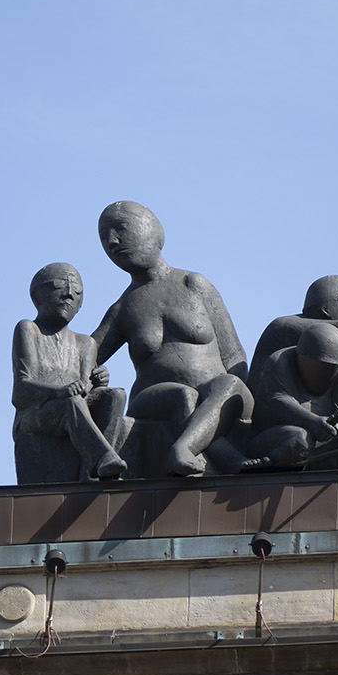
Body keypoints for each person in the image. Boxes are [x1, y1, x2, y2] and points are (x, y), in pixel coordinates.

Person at [92, 202, 252, 477]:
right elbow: (83, 354)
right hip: (154, 398)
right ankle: (202, 454)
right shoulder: (122, 309)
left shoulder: (194, 284)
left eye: (121, 229)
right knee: (182, 395)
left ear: (154, 232)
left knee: (231, 383)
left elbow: (234, 355)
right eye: (104, 236)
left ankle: (193, 449)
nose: (112, 241)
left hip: (214, 395)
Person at [248, 275, 338, 455]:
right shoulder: (283, 329)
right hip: (279, 429)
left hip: (323, 427)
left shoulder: (335, 352)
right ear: (326, 309)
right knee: (298, 438)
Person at [12, 263, 127, 483]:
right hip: (36, 414)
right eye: (58, 286)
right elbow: (21, 390)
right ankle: (104, 458)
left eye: (76, 291)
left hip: (73, 408)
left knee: (115, 396)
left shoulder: (86, 344)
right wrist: (60, 391)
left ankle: (92, 474)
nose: (68, 295)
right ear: (38, 296)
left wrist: (98, 383)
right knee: (72, 402)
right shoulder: (29, 329)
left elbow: (86, 393)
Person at [244, 322, 338, 470]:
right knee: (299, 439)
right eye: (317, 366)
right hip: (275, 436)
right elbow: (279, 399)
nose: (323, 373)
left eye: (330, 368)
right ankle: (267, 463)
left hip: (322, 439)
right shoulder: (279, 361)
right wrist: (312, 421)